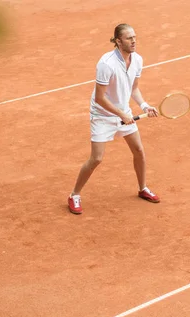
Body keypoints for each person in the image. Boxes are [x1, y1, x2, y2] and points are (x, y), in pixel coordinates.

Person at [67, 24, 160, 215]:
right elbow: (101, 98)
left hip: (123, 113)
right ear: (118, 41)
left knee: (139, 151)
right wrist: (122, 114)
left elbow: (133, 88)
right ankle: (74, 194)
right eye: (128, 38)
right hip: (102, 115)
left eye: (134, 37)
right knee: (96, 159)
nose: (133, 41)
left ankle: (142, 188)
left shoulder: (138, 60)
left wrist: (144, 106)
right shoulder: (106, 63)